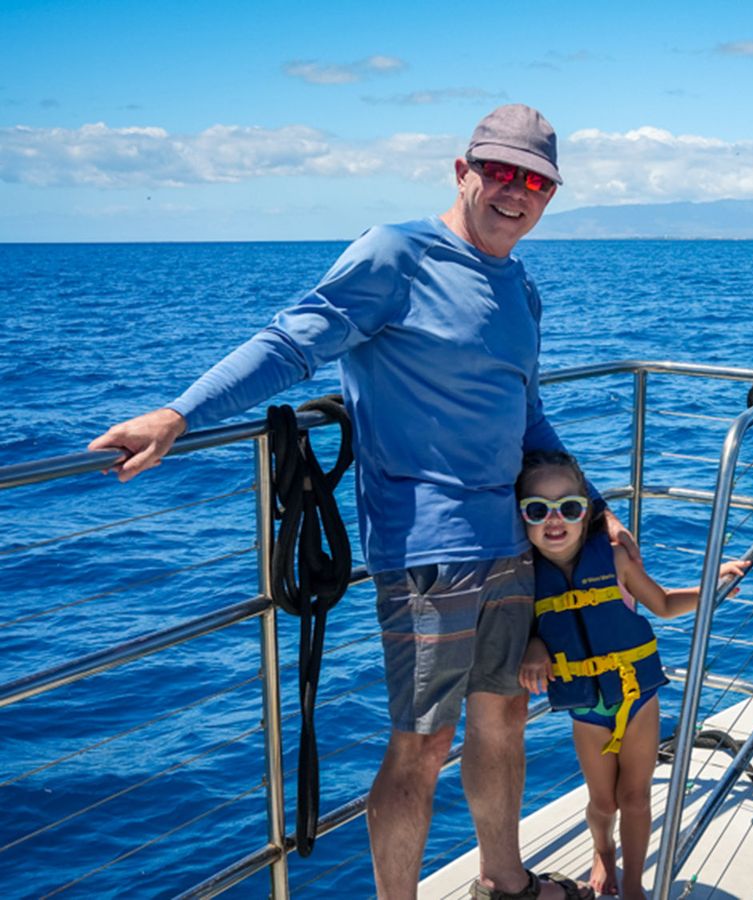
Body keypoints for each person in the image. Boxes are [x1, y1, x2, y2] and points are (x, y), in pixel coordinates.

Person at [88, 104, 614, 900]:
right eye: (500, 172)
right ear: (463, 172)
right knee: (422, 745)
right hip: (428, 552)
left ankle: (505, 882)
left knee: (504, 718)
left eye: (535, 181)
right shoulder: (396, 253)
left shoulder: (521, 289)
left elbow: (528, 415)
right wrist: (179, 414)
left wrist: (592, 506)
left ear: (550, 194)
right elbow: (290, 343)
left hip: (510, 542)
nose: (516, 191)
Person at [515, 450, 748, 900]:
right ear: (522, 517)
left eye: (569, 508)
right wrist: (534, 644)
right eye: (538, 510)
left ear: (588, 513)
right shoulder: (524, 577)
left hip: (637, 697)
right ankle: (603, 851)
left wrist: (711, 584)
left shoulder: (615, 557)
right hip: (587, 709)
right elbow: (522, 631)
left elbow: (663, 603)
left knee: (635, 798)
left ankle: (636, 884)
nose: (555, 520)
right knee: (603, 802)